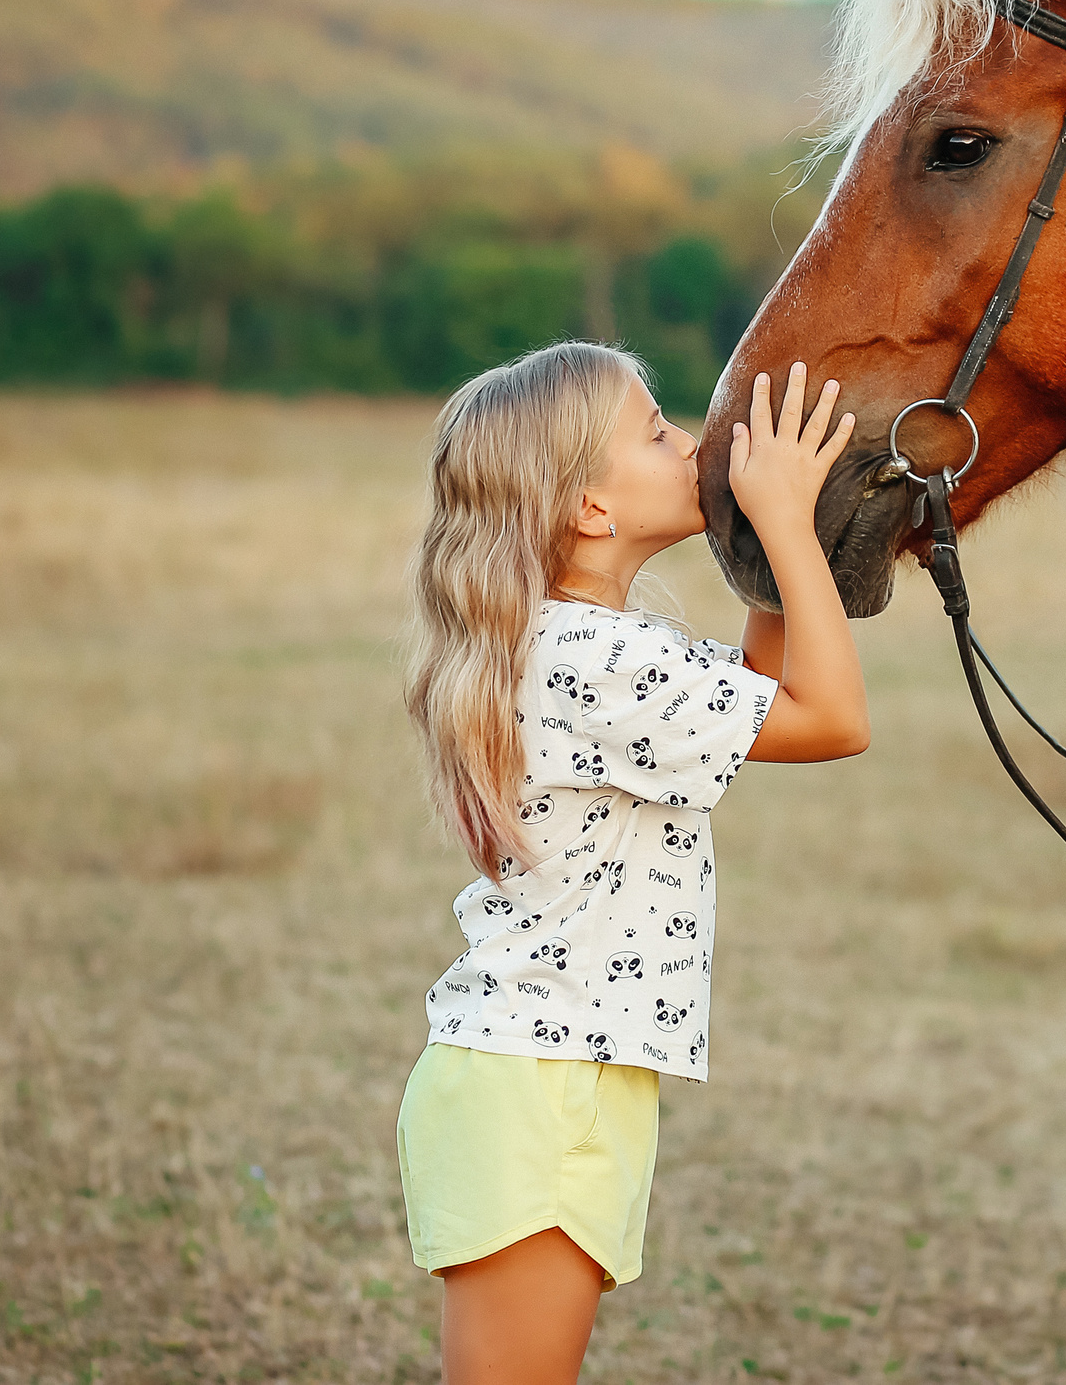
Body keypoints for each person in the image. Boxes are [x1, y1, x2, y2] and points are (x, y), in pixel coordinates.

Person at [397, 342, 867, 1382]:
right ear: (590, 510)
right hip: (544, 1086)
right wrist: (788, 525)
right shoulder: (594, 660)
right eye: (656, 434)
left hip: (560, 1075)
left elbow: (766, 687)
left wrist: (774, 542)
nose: (691, 445)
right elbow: (833, 719)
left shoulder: (595, 645)